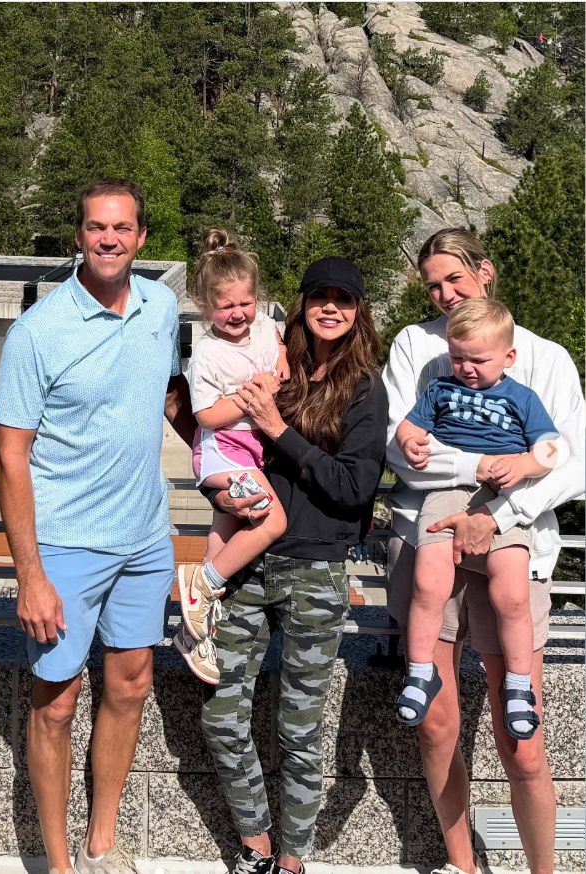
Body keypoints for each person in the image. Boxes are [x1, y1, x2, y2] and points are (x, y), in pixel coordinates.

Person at [0, 178, 195, 874]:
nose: (108, 238)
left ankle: (101, 843)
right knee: (55, 704)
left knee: (132, 683)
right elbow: (9, 454)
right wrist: (30, 574)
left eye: (122, 227)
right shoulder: (36, 334)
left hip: (144, 537)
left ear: (141, 237)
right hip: (65, 544)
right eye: (95, 227)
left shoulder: (162, 306)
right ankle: (57, 863)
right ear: (77, 235)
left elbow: (167, 397)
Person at [383, 228, 585, 874]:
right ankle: (461, 864)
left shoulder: (545, 359)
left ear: (485, 273)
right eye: (433, 284)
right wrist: (490, 467)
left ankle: (542, 869)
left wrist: (498, 513)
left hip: (514, 545)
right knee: (436, 727)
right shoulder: (417, 345)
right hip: (430, 539)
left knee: (521, 743)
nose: (444, 294)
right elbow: (402, 452)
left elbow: (568, 462)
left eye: (454, 279)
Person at [201, 257, 387, 874]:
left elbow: (355, 488)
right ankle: (254, 844)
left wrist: (279, 429)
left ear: (359, 313)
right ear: (302, 304)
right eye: (320, 297)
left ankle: (292, 860)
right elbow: (215, 442)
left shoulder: (364, 388)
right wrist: (217, 492)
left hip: (316, 571)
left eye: (345, 300)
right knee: (223, 716)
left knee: (300, 732)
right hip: (249, 564)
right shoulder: (272, 363)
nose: (331, 307)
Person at [394, 299, 557, 737]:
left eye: (478, 360)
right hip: (446, 491)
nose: (466, 367)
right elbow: (407, 428)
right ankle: (421, 671)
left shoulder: (522, 398)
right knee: (428, 582)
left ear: (509, 357)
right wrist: (410, 441)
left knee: (513, 593)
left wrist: (523, 466)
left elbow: (549, 451)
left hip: (501, 498)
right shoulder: (440, 391)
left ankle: (519, 685)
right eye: (458, 357)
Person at [175, 228, 289, 684]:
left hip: (254, 450)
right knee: (273, 519)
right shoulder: (208, 354)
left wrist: (281, 358)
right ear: (206, 307)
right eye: (226, 307)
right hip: (224, 453)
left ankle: (194, 631)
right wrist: (252, 397)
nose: (238, 313)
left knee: (225, 532)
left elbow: (278, 345)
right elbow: (204, 414)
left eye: (245, 302)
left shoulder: (262, 326)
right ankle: (201, 584)